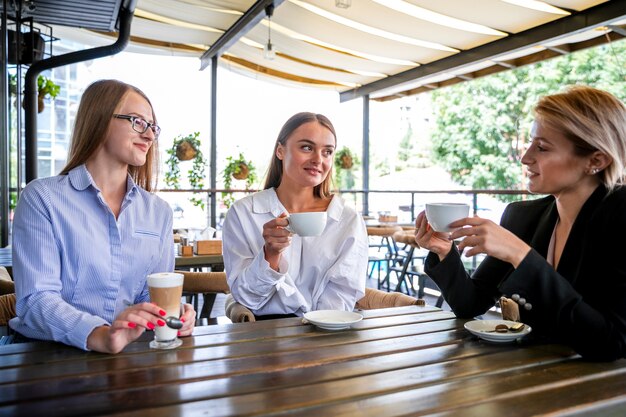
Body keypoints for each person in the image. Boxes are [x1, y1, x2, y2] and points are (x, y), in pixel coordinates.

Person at [415, 85, 626, 361]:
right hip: (533, 379)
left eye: (541, 147)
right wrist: (444, 251)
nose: (525, 157)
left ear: (596, 160)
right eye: (529, 143)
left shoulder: (619, 216)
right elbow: (470, 304)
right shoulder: (524, 217)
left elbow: (610, 343)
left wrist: (520, 255)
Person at [10, 79, 195, 353]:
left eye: (152, 127)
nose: (149, 135)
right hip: (47, 353)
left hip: (127, 352)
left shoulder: (158, 212)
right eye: (137, 122)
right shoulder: (42, 198)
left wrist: (171, 314)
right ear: (99, 119)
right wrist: (98, 334)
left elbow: (149, 295)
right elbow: (36, 299)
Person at [222, 112, 368, 319]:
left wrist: (316, 329)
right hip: (263, 333)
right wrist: (270, 255)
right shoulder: (243, 213)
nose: (318, 159)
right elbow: (245, 297)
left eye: (327, 152)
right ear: (280, 151)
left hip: (327, 330)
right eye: (307, 147)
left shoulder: (348, 220)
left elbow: (343, 293)